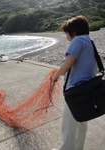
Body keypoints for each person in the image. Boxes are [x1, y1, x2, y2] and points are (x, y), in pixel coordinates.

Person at [52, 15, 98, 150]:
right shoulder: (90, 40)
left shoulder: (77, 40)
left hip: (77, 91)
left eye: (66, 33)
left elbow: (67, 64)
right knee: (81, 123)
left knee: (68, 124)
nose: (66, 37)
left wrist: (55, 76)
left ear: (73, 31)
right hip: (88, 90)